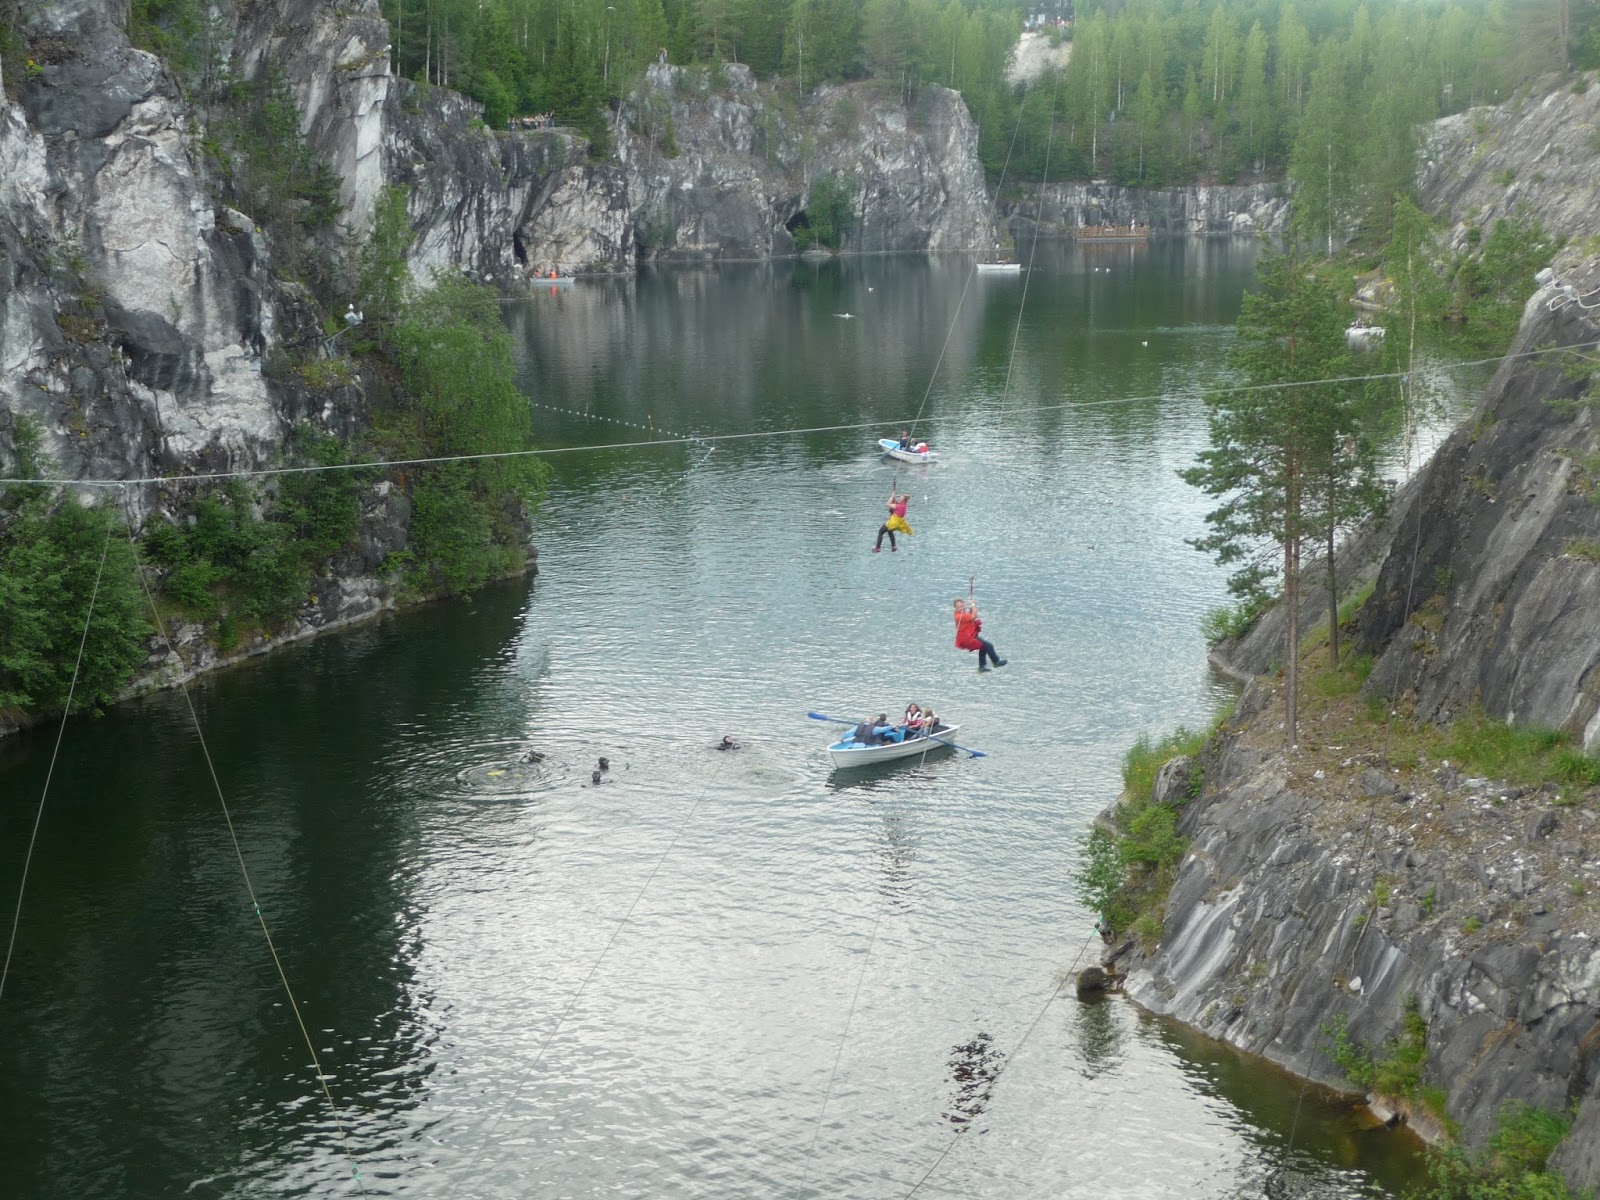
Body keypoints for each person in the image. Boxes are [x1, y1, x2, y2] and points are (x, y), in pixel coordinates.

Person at [954, 598, 1006, 671]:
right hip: (967, 638)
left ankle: (982, 667)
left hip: (971, 635)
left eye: (962, 606)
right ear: (955, 608)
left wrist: (972, 607)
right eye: (959, 607)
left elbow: (971, 615)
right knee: (989, 645)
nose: (962, 608)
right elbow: (974, 616)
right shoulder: (959, 617)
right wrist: (973, 605)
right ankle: (996, 662)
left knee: (983, 647)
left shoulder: (962, 614)